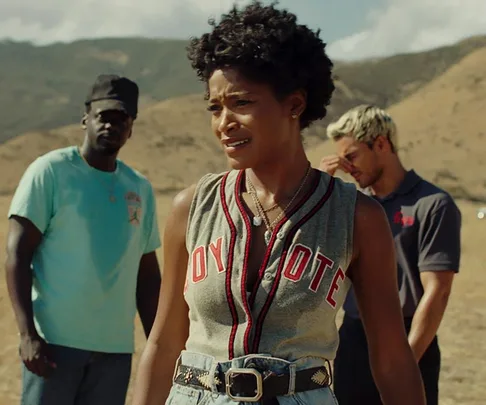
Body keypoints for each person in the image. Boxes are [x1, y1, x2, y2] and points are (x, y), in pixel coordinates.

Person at [131, 2, 426, 405]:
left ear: (295, 104)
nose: (224, 122)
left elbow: (392, 359)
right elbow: (164, 345)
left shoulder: (356, 217)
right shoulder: (192, 208)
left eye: (242, 103)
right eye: (215, 107)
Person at [5, 74, 162, 405]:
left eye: (122, 119)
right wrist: (27, 335)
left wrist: (158, 346)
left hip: (115, 351)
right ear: (85, 119)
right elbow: (17, 256)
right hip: (53, 346)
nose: (112, 126)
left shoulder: (139, 189)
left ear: (131, 127)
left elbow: (148, 278)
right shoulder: (50, 171)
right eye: (104, 117)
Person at [319, 104, 461, 405]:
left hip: (410, 338)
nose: (347, 167)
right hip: (355, 340)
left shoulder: (433, 204)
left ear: (381, 144)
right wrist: (321, 195)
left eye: (352, 156)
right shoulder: (353, 208)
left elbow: (438, 291)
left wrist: (403, 365)